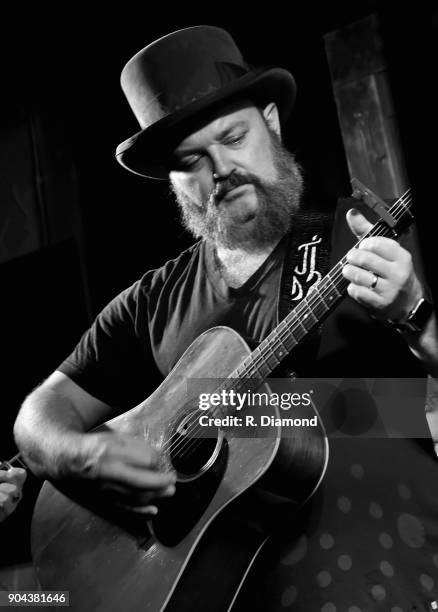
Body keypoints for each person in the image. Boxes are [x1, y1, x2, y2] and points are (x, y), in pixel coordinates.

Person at [14, 26, 438, 610]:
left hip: (385, 576)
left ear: (273, 123)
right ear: (172, 181)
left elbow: (417, 406)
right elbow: (38, 417)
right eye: (192, 160)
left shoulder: (361, 235)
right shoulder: (153, 299)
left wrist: (415, 315)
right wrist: (84, 457)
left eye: (234, 137)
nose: (222, 169)